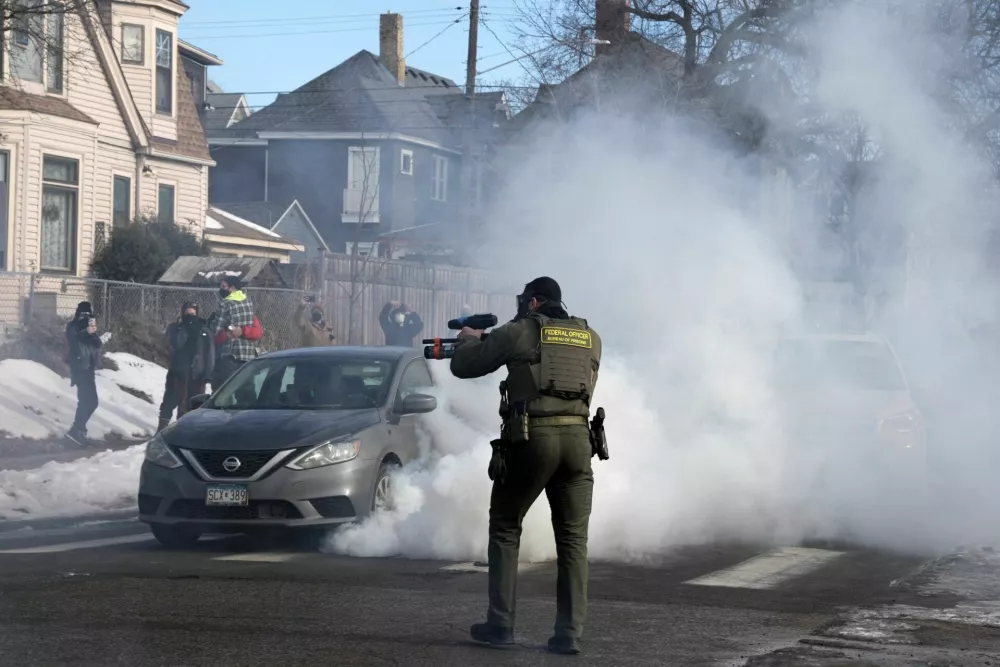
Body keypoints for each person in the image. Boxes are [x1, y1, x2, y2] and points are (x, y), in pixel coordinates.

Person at [449, 277, 602, 656]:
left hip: (534, 439)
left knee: (505, 526)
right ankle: (569, 634)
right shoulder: (590, 336)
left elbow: (464, 366)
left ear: (533, 302)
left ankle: (500, 625)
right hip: (580, 444)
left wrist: (470, 337)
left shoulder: (521, 331)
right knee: (573, 541)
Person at [157, 302, 215, 432]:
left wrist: (207, 374)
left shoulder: (204, 330)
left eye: (193, 313)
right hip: (178, 372)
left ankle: (188, 430)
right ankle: (161, 429)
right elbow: (175, 344)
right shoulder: (176, 328)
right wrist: (186, 329)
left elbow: (209, 354)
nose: (190, 316)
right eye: (187, 313)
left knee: (193, 403)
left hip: (197, 373)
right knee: (170, 400)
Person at [65, 302, 110, 446]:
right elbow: (74, 339)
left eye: (88, 315)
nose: (86, 318)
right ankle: (76, 431)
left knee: (90, 402)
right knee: (88, 401)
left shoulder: (89, 329)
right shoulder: (73, 327)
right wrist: (86, 331)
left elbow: (97, 344)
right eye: (84, 315)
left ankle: (78, 430)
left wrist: (92, 333)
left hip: (88, 368)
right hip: (80, 367)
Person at [209, 276, 258, 391]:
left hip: (231, 353)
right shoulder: (248, 301)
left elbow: (216, 329)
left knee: (225, 389)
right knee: (246, 389)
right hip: (247, 353)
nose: (221, 289)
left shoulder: (225, 303)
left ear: (232, 288)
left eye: (224, 286)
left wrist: (211, 324)